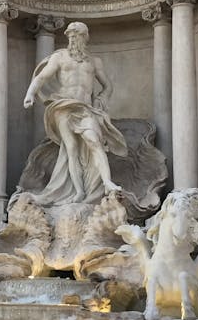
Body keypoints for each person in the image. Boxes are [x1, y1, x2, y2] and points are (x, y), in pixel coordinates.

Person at [22, 22, 128, 206]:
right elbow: (42, 77)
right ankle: (79, 191)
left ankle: (107, 183)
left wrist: (101, 98)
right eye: (70, 35)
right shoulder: (60, 57)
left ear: (85, 37)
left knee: (94, 141)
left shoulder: (94, 61)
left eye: (76, 35)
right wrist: (30, 94)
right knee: (71, 148)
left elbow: (107, 85)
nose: (72, 39)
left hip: (85, 108)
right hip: (63, 105)